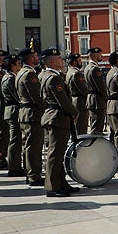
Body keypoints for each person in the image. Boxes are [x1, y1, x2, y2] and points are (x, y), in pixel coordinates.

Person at [39, 47, 79, 197]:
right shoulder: (55, 78)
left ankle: (61, 183)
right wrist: (74, 112)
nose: (62, 61)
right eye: (60, 59)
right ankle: (52, 187)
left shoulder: (43, 75)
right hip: (57, 117)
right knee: (55, 154)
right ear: (54, 61)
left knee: (56, 153)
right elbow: (63, 100)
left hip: (51, 115)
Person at [16, 48, 45, 187]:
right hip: (32, 114)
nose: (37, 57)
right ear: (29, 58)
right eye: (34, 56)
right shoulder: (29, 74)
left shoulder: (21, 72)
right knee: (33, 146)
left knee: (28, 145)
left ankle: (30, 173)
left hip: (26, 113)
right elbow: (36, 97)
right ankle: (34, 175)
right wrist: (47, 107)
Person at [0, 54, 25, 177]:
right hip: (13, 110)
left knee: (16, 139)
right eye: (18, 64)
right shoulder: (9, 78)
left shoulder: (11, 77)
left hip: (13, 109)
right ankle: (14, 167)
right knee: (15, 140)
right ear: (12, 65)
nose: (20, 66)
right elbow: (17, 96)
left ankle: (15, 165)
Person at [84, 47, 109, 133]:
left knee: (95, 125)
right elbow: (101, 87)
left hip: (92, 99)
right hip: (97, 101)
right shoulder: (94, 68)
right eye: (99, 54)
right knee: (97, 127)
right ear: (95, 55)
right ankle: (95, 145)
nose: (101, 56)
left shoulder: (87, 67)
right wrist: (106, 98)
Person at [66, 53, 91, 136]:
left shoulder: (69, 72)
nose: (81, 62)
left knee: (77, 128)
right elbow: (84, 89)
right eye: (79, 60)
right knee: (81, 129)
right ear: (74, 62)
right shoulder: (76, 74)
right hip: (80, 103)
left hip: (74, 101)